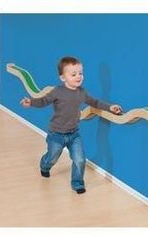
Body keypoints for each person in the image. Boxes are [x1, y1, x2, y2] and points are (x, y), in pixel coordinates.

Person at [20, 56, 123, 194]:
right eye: (73, 74)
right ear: (63, 77)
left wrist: (110, 107)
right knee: (53, 156)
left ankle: (77, 183)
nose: (78, 76)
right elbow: (44, 101)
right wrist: (31, 102)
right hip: (56, 134)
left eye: (80, 73)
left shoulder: (82, 92)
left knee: (80, 160)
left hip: (74, 134)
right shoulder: (57, 91)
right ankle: (44, 166)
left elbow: (95, 102)